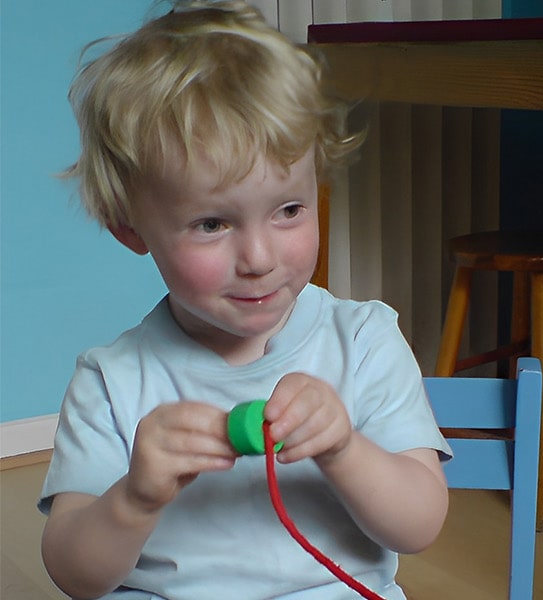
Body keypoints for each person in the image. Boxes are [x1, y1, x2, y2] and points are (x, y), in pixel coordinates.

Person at [38, 3, 451, 598]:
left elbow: (419, 526)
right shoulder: (112, 381)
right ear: (129, 228)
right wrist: (133, 498)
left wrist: (344, 448)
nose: (259, 257)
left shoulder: (364, 341)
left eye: (288, 210)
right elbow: (75, 575)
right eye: (211, 223)